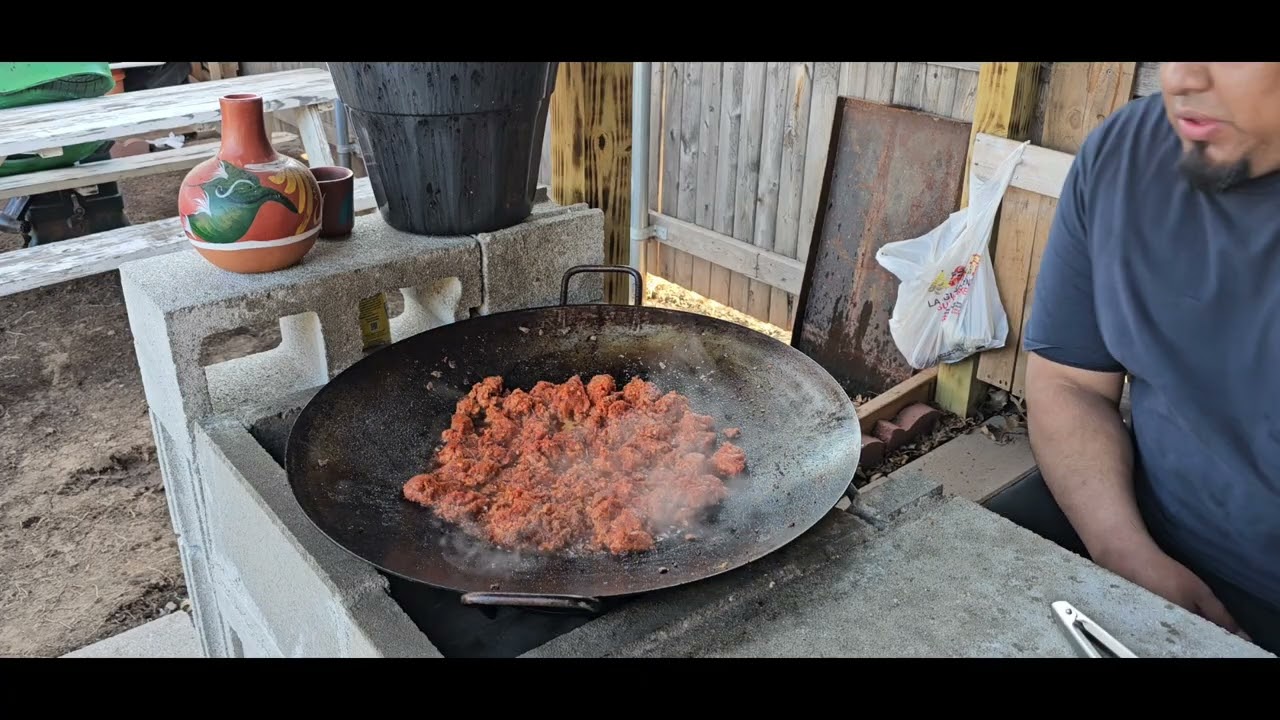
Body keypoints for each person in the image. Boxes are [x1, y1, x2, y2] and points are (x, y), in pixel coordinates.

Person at [994, 62, 1280, 654]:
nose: (1180, 77)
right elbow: (1069, 383)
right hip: (1137, 520)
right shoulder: (1123, 154)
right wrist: (1125, 552)